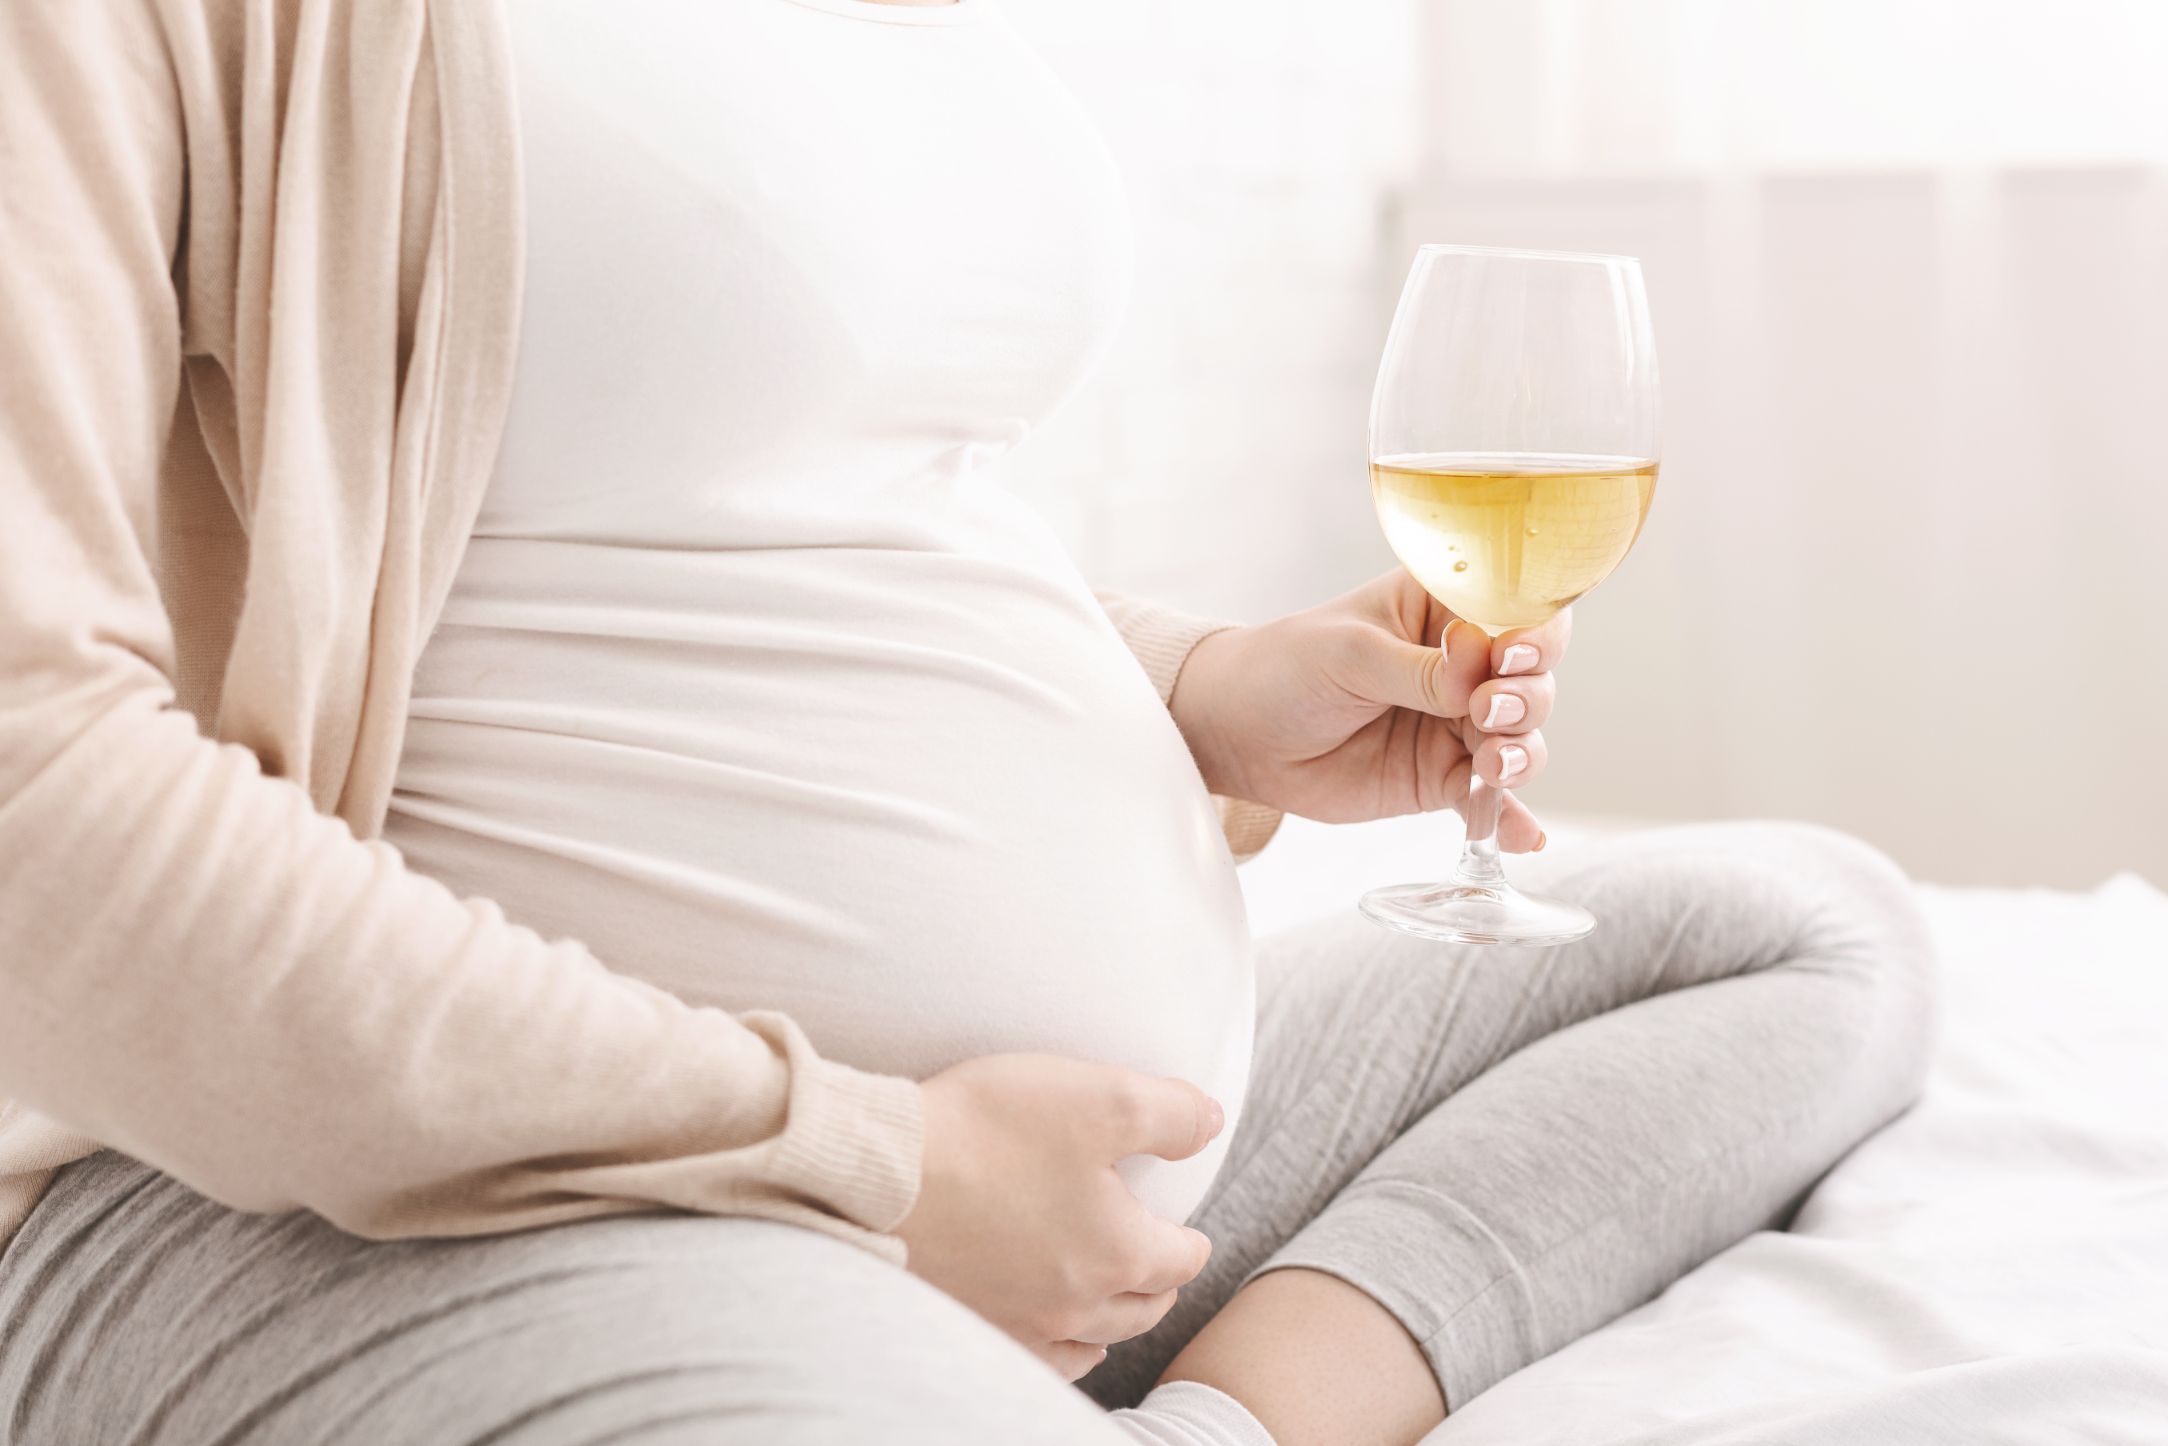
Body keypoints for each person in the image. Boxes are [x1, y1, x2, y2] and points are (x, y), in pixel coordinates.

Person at [0, 2, 1937, 1443]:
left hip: (1010, 1192)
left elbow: (796, 507)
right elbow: (34, 784)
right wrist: (864, 1164)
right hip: (436, 1194)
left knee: (1789, 935)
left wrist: (1191, 694)